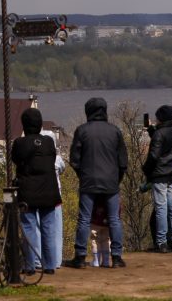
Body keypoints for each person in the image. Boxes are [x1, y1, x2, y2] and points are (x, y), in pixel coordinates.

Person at [66, 97, 127, 269]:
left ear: (88, 112)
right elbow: (123, 162)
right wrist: (116, 179)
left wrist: (82, 175)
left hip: (88, 181)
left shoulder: (82, 131)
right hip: (111, 183)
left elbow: (74, 160)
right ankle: (116, 257)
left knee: (84, 219)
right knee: (114, 219)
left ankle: (79, 257)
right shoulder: (115, 131)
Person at [11, 108, 62, 274]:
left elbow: (15, 160)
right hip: (49, 190)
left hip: (28, 191)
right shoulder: (48, 142)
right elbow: (53, 158)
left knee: (29, 228)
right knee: (49, 228)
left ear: (24, 125)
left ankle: (30, 265)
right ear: (40, 125)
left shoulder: (19, 143)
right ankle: (49, 265)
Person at [143, 105, 172, 253]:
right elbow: (162, 141)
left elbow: (154, 155)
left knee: (161, 207)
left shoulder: (159, 134)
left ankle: (161, 242)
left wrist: (146, 169)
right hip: (171, 173)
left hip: (159, 174)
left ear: (160, 118)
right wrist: (151, 130)